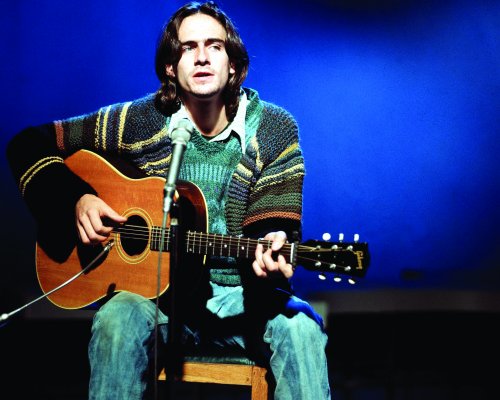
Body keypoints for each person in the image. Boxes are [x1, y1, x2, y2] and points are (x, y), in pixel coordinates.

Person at [7, 1, 331, 399]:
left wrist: (272, 248)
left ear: (233, 65)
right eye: (187, 47)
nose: (201, 57)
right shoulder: (142, 121)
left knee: (301, 327)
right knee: (116, 319)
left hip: (243, 301)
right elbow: (29, 143)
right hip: (155, 301)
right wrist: (77, 199)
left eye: (214, 46)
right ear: (170, 67)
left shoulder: (273, 128)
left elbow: (273, 224)